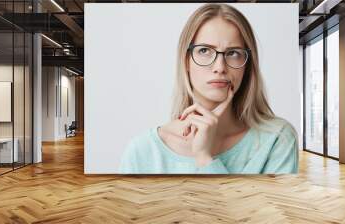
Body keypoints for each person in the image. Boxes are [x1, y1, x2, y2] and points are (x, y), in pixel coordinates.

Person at [120, 3, 299, 174]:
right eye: (205, 51)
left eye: (233, 53)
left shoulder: (277, 138)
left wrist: (205, 158)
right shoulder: (142, 150)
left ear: (247, 65)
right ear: (186, 61)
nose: (220, 67)